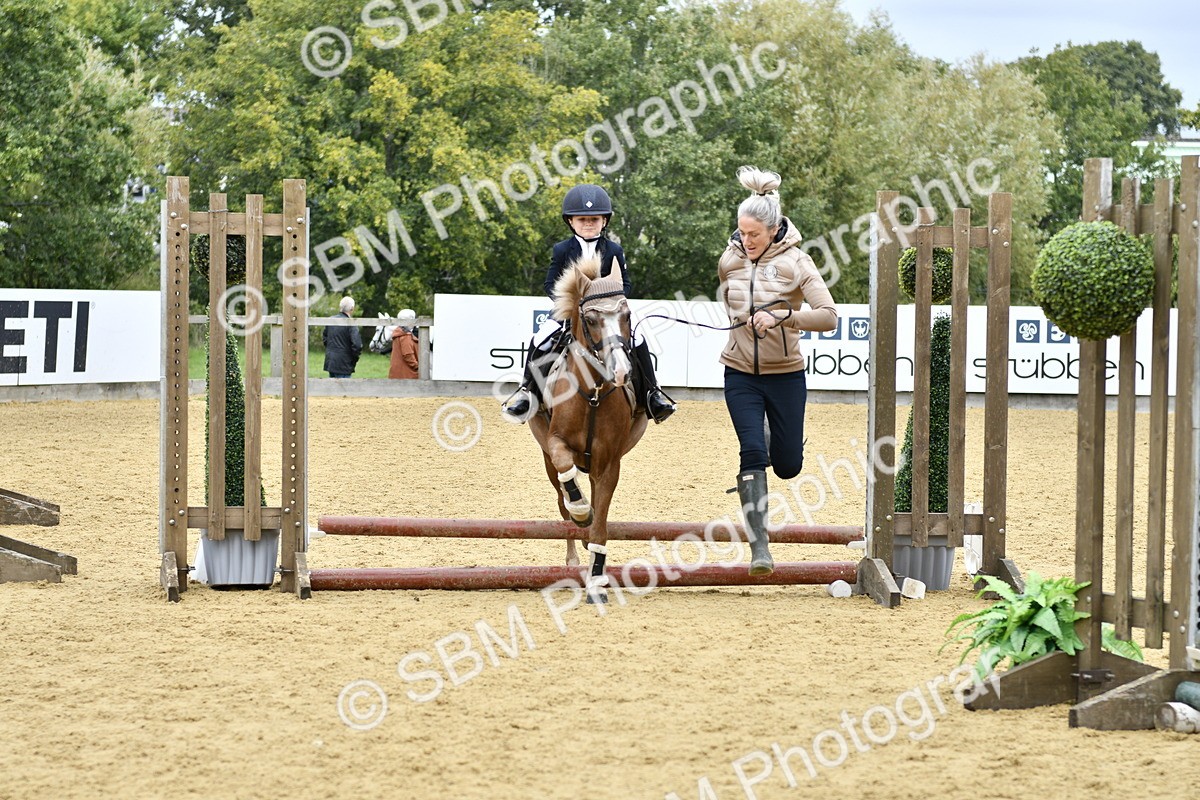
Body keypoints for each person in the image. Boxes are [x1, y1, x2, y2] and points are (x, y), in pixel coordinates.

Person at [718, 166, 837, 575]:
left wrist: (781, 316)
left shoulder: (797, 262)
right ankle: (759, 547)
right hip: (739, 374)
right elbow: (728, 300)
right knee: (751, 450)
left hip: (786, 374)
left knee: (788, 465)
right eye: (741, 232)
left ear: (772, 230)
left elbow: (828, 316)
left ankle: (779, 438)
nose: (745, 241)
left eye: (753, 234)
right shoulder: (729, 260)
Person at [501, 183, 676, 424]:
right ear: (571, 222)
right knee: (540, 337)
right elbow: (550, 284)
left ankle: (652, 394)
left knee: (638, 337)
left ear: (604, 221)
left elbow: (626, 285)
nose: (588, 223)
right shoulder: (562, 249)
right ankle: (527, 393)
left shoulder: (614, 249)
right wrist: (572, 305)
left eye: (594, 219)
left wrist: (608, 300)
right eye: (582, 219)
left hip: (608, 314)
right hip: (570, 314)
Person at [323, 296, 362, 378]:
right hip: (345, 364)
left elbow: (325, 339)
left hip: (331, 362)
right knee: (344, 390)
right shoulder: (351, 323)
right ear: (352, 309)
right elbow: (357, 345)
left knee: (332, 389)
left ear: (340, 307)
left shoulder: (330, 320)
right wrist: (354, 359)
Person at [389, 308, 420, 379]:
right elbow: (408, 355)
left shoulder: (399, 333)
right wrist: (418, 367)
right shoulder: (405, 335)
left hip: (398, 374)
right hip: (407, 375)